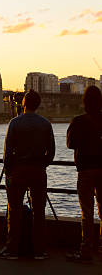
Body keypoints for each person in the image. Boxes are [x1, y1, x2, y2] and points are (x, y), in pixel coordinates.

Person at [0, 89, 55, 260]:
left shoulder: (14, 123)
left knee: (14, 210)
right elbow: (51, 152)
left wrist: (9, 171)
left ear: (23, 104)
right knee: (39, 211)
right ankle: (39, 250)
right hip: (38, 171)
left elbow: (7, 152)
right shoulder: (46, 124)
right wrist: (41, 165)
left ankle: (12, 249)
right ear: (38, 104)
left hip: (18, 171)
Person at [66, 86, 102, 263]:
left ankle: (86, 250)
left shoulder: (79, 121)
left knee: (87, 213)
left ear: (84, 102)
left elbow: (70, 144)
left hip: (86, 170)